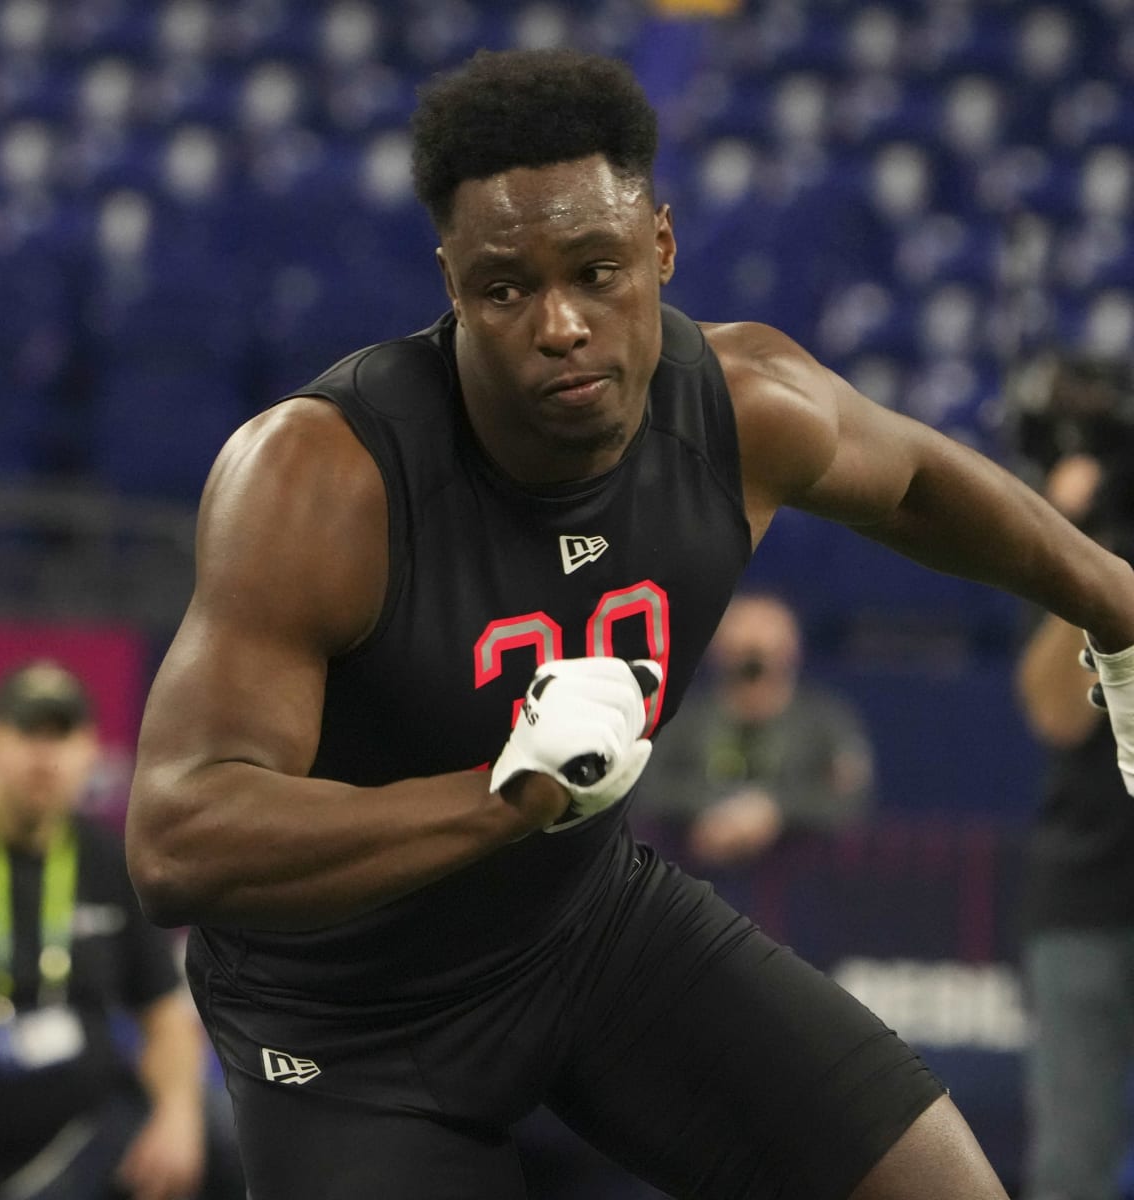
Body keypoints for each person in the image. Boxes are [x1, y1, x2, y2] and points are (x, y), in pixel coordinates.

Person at [123, 48, 1134, 1200]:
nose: (560, 324)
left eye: (597, 271)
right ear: (451, 282)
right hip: (345, 1015)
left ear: (660, 245)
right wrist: (502, 801)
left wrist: (1117, 610)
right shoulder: (321, 477)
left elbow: (911, 484)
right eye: (506, 288)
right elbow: (176, 837)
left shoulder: (742, 402)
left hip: (583, 927)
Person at [0, 660, 245, 1200]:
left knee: (225, 1145)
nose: (46, 757)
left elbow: (164, 1015)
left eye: (64, 735)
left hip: (88, 1142)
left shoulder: (107, 859)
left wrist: (177, 1114)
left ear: (91, 750)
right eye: (28, 732)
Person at [1017, 450, 1134, 1200]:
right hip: (1089, 893)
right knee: (1070, 1166)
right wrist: (1094, 557)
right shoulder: (1099, 557)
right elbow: (1053, 713)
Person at [637, 591, 874, 864]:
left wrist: (774, 811)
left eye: (765, 655)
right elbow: (648, 787)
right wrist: (717, 811)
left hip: (800, 882)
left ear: (791, 651)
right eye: (743, 656)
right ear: (717, 650)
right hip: (693, 874)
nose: (753, 670)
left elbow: (851, 797)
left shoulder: (826, 721)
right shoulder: (682, 721)